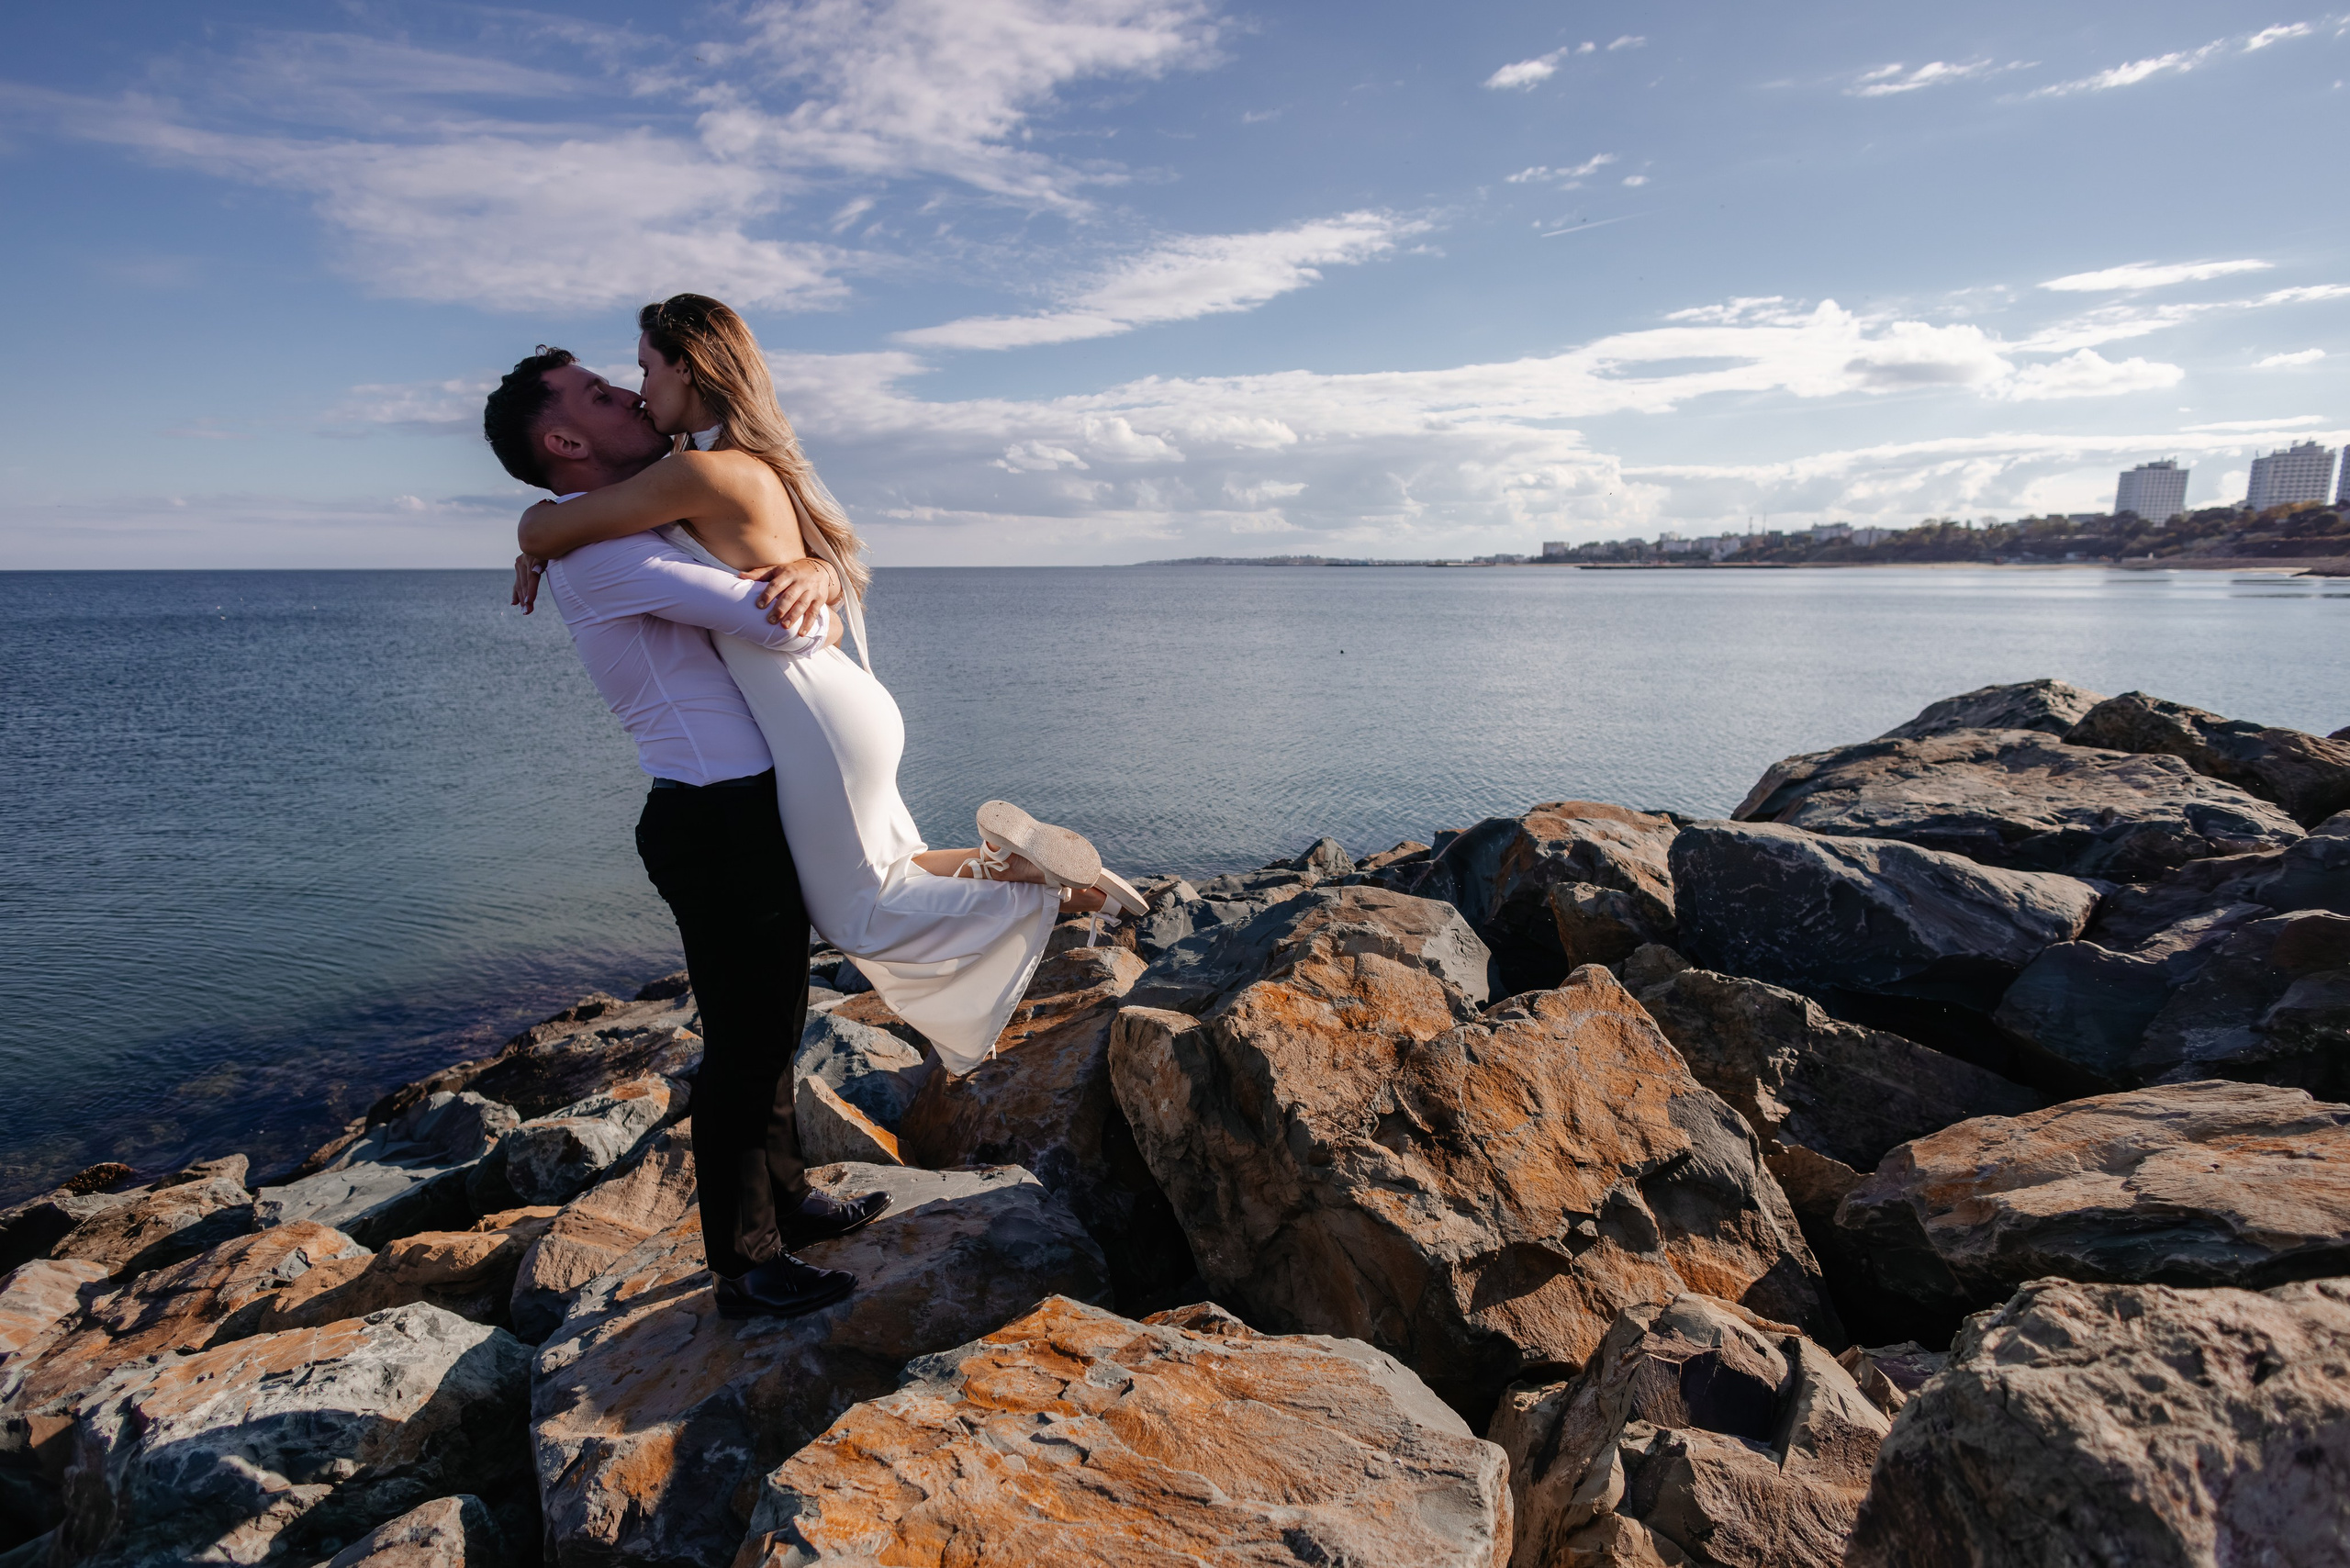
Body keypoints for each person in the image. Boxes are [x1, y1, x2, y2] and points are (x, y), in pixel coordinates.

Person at [511, 295, 1147, 1085]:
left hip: (806, 707)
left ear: (688, 366)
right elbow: (787, 584)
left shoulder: (692, 471)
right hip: (837, 697)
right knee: (896, 866)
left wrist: (535, 531)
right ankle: (1014, 868)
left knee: (860, 913)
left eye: (642, 371)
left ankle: (1046, 893)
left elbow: (551, 530)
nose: (638, 392)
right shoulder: (753, 465)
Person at [483, 345, 878, 1320]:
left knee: (772, 1025)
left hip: (732, 813)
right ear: (566, 439)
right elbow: (784, 625)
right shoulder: (613, 553)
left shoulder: (608, 533)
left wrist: (813, 572)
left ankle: (788, 1199)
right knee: (745, 1043)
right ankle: (744, 1264)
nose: (630, 393)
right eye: (603, 395)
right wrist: (815, 577)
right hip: (713, 820)